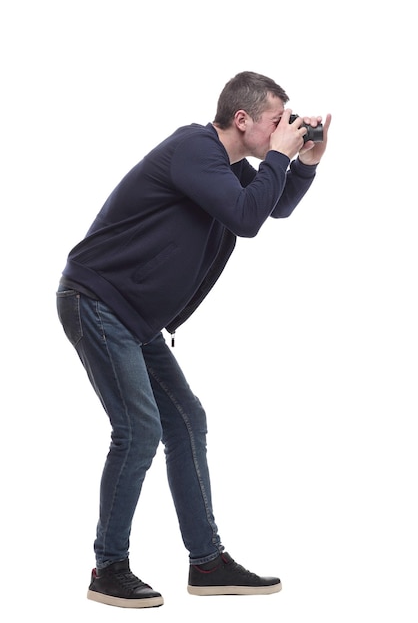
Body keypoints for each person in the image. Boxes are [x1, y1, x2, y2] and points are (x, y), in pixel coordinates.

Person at [56, 71, 331, 609]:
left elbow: (271, 205)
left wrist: (305, 165)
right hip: (97, 300)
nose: (283, 128)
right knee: (138, 430)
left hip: (130, 315)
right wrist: (280, 159)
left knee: (186, 420)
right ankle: (108, 568)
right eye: (277, 119)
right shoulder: (194, 149)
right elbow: (247, 219)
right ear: (243, 118)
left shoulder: (228, 169)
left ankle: (206, 562)